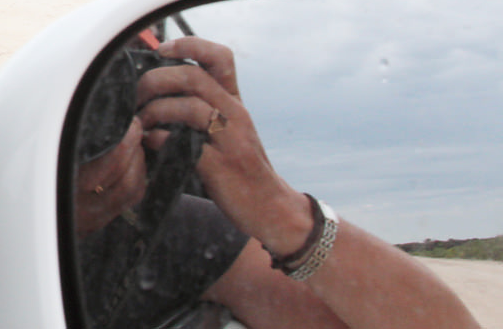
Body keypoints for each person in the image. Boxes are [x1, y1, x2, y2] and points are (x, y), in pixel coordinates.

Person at [74, 36, 480, 329]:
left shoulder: (174, 228)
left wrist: (275, 206)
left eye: (118, 85)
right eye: (76, 92)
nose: (98, 115)